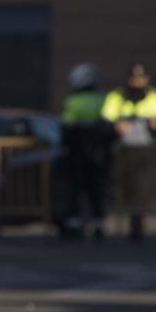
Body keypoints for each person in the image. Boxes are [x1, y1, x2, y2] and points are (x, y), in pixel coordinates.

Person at [102, 62, 156, 241]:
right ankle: (133, 222)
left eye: (141, 78)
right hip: (124, 151)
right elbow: (106, 118)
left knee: (147, 188)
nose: (137, 82)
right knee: (126, 188)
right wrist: (115, 126)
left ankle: (142, 222)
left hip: (149, 151)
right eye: (134, 78)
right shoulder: (118, 96)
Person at [60, 62, 109, 239]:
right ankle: (98, 224)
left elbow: (67, 128)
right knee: (96, 189)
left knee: (76, 189)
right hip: (98, 153)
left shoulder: (72, 102)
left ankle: (74, 224)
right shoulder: (102, 100)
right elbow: (108, 127)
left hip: (77, 153)